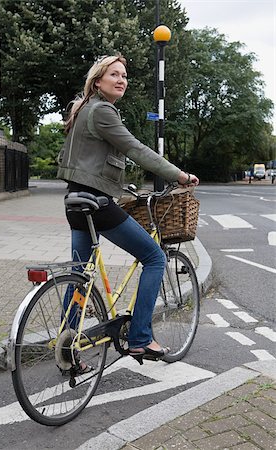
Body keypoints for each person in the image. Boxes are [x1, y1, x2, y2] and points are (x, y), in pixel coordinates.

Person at [57, 54, 199, 364]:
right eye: (114, 75)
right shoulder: (103, 111)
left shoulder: (82, 109)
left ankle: (67, 343)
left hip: (74, 200)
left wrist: (121, 189)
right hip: (97, 205)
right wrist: (179, 175)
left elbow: (89, 161)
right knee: (154, 257)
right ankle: (141, 338)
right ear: (98, 82)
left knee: (80, 272)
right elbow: (135, 148)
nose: (122, 80)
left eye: (124, 76)